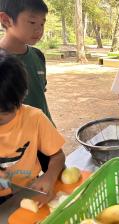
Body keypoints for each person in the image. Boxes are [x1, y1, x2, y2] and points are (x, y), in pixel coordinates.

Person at [0, 50, 65, 205]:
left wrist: (49, 176)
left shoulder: (34, 118)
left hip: (28, 189)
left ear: (22, 97)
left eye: (2, 114)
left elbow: (58, 156)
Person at [0, 0, 52, 172]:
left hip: (43, 134)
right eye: (31, 22)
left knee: (56, 182)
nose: (39, 30)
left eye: (42, 23)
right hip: (13, 144)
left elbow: (39, 92)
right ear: (6, 20)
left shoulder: (38, 56)